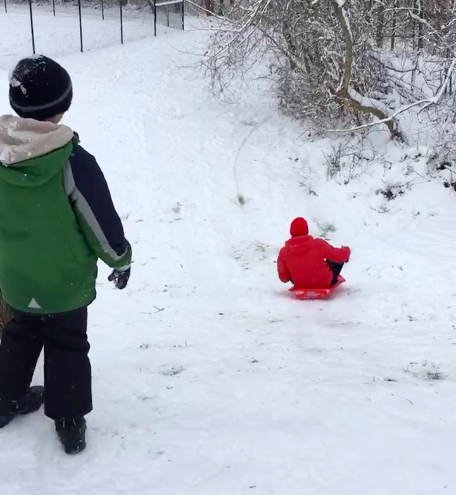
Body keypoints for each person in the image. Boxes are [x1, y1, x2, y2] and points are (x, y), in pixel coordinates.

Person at [0, 56, 132, 454]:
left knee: (18, 338)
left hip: (15, 279)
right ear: (63, 106)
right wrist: (120, 259)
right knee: (68, 343)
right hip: (65, 282)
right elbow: (98, 221)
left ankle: (4, 401)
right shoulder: (72, 160)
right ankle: (69, 421)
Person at [277, 217, 350, 289]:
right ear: (306, 230)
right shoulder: (318, 244)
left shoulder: (284, 252)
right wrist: (346, 250)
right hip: (324, 283)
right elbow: (339, 256)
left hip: (300, 284)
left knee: (292, 266)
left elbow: (284, 278)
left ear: (291, 232)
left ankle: (303, 279)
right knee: (334, 258)